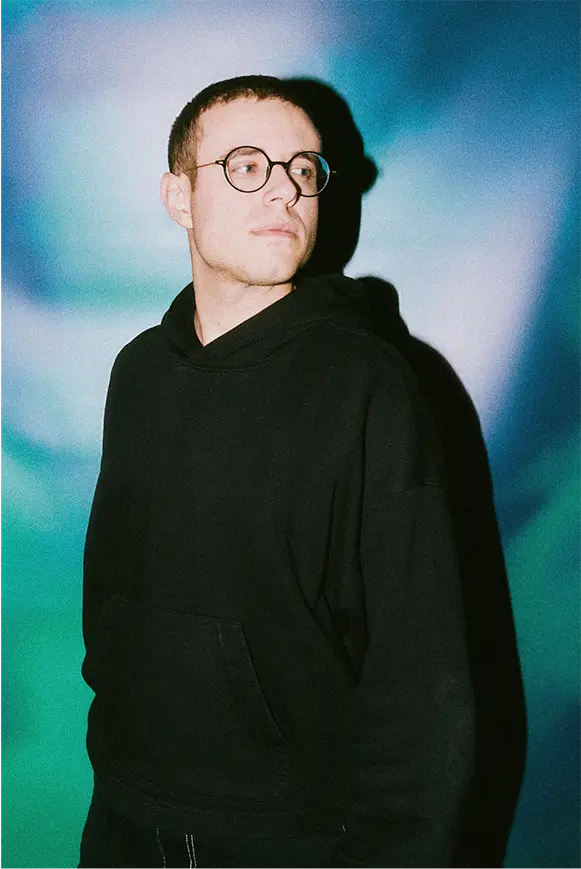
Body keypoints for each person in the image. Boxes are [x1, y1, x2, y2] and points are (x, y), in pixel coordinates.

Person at [79, 75, 474, 869]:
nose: (286, 190)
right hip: (126, 810)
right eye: (247, 166)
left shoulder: (369, 383)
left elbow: (421, 679)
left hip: (288, 834)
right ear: (180, 197)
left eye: (302, 168)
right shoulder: (139, 369)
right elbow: (111, 581)